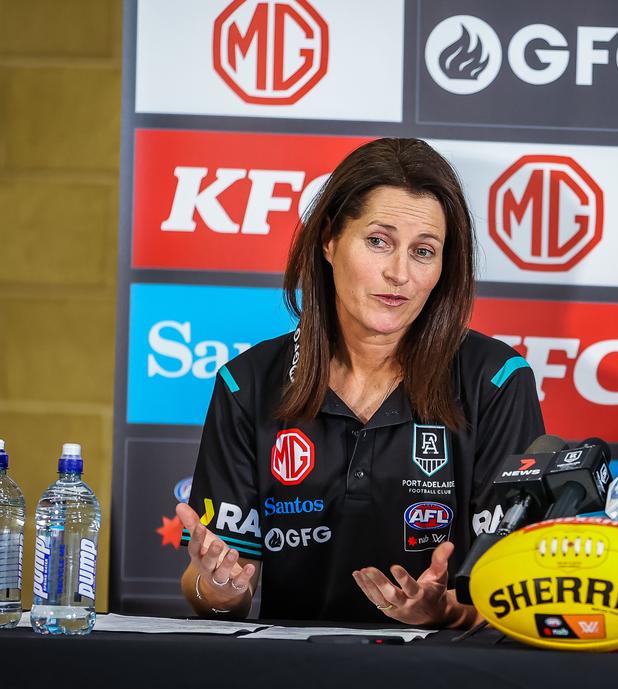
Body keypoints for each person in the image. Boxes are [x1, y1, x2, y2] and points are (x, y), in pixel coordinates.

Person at [174, 138, 544, 626]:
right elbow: (216, 591)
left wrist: (448, 613)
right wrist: (217, 585)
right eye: (378, 241)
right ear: (329, 239)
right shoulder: (247, 384)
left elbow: (520, 594)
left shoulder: (496, 380)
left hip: (451, 685)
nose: (399, 274)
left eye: (423, 251)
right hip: (293, 686)